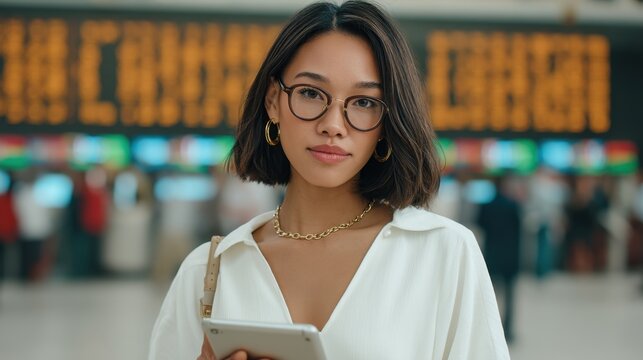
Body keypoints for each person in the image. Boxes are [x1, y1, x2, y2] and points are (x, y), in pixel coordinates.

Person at [149, 2, 509, 359]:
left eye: (365, 102)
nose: (333, 125)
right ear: (273, 101)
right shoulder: (208, 271)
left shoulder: (443, 253)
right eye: (310, 93)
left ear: (387, 122)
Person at [476, 175, 522, 343]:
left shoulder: (486, 206)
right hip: (510, 255)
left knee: (490, 294)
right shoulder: (513, 206)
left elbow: (479, 223)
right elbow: (519, 229)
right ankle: (508, 330)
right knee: (510, 295)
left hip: (492, 254)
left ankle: (489, 329)